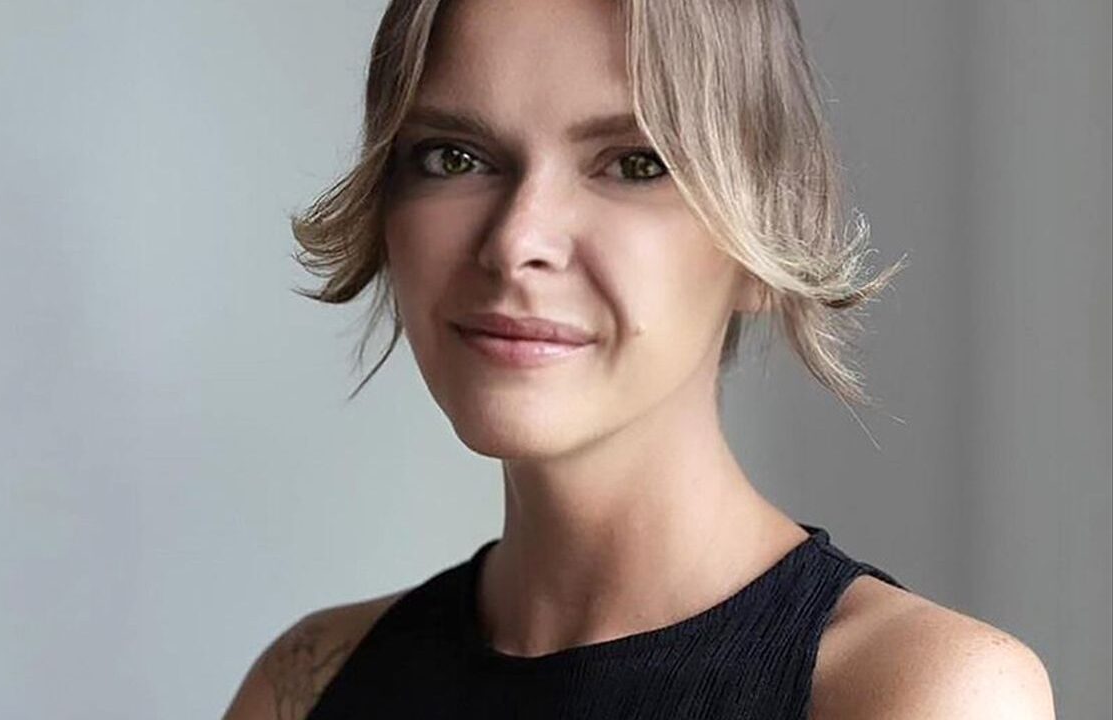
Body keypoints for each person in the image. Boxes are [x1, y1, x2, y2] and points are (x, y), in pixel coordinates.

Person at [225, 0, 1055, 717]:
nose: (516, 242)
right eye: (455, 156)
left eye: (635, 164)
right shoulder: (308, 685)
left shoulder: (918, 690)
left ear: (764, 241)